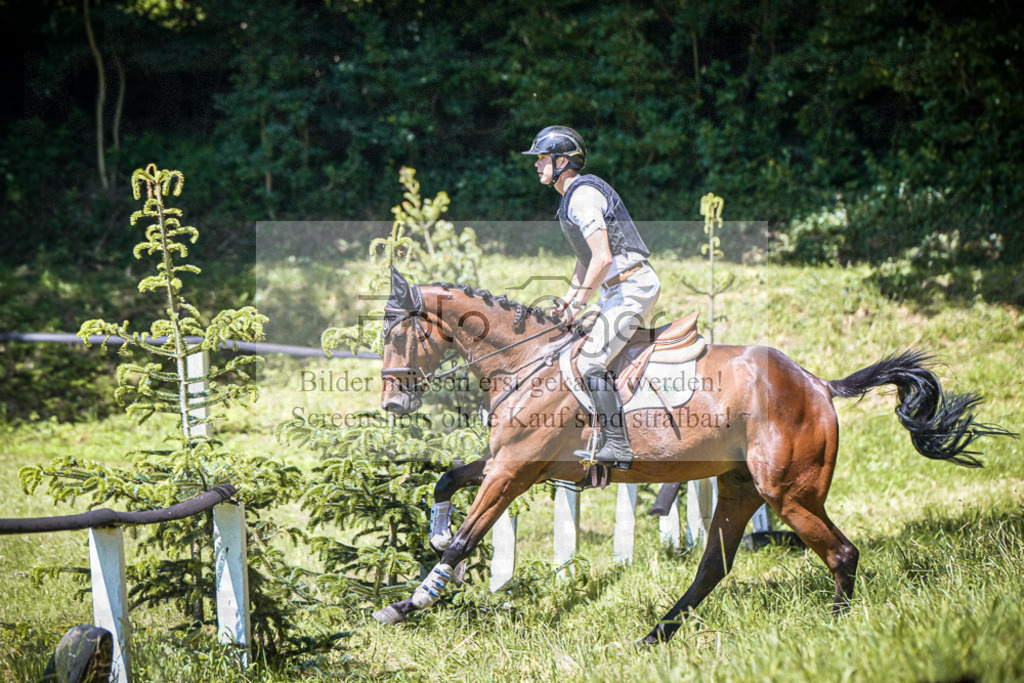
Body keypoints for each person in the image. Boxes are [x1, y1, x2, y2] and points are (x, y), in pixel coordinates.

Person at [522, 125, 661, 469]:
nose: (537, 165)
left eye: (542, 158)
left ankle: (618, 445)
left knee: (590, 361)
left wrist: (581, 301)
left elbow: (603, 258)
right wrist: (569, 302)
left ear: (563, 161)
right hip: (616, 289)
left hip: (631, 287)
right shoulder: (573, 198)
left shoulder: (582, 197)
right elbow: (586, 260)